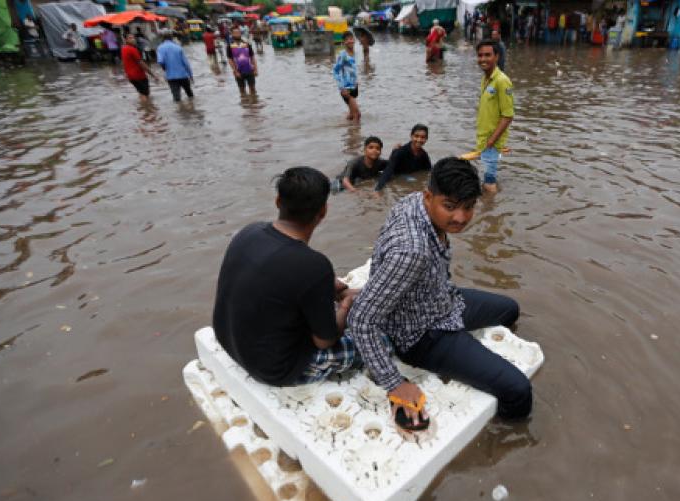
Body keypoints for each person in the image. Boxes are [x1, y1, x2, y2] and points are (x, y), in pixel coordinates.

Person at [348, 158, 532, 429]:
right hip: (421, 334)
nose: (460, 218)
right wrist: (394, 383)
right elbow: (362, 319)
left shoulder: (414, 201)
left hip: (442, 299)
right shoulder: (411, 252)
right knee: (519, 391)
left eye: (468, 207)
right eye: (450, 207)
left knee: (510, 309)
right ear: (429, 197)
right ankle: (503, 436)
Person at [213, 167, 361, 387]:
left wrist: (334, 288)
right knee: (379, 341)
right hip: (274, 369)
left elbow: (287, 274)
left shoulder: (249, 231)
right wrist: (347, 305)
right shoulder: (314, 265)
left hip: (230, 343)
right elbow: (325, 341)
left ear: (277, 201)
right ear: (323, 211)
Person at [474, 40, 513, 192]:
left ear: (496, 56)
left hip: (492, 142)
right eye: (480, 55)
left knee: (489, 184)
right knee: (487, 178)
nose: (483, 59)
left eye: (487, 55)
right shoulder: (485, 79)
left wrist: (491, 142)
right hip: (484, 139)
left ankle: (491, 213)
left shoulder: (502, 81)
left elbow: (508, 116)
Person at [374, 124, 432, 191]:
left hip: (410, 176)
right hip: (399, 177)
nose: (419, 140)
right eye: (416, 136)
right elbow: (388, 171)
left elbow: (428, 172)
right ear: (411, 136)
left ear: (426, 139)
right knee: (414, 181)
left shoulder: (424, 155)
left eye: (422, 137)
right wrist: (378, 189)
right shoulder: (400, 152)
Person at [156, 30, 194, 102]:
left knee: (176, 98)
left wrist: (165, 69)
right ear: (172, 38)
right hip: (183, 75)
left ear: (163, 38)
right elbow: (186, 63)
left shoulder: (160, 48)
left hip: (171, 77)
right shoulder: (178, 47)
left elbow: (160, 61)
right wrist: (191, 75)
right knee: (189, 94)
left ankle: (179, 110)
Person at [121, 33, 158, 102]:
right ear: (126, 40)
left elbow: (125, 63)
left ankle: (143, 108)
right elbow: (141, 63)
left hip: (131, 76)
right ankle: (147, 109)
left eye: (133, 38)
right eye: (130, 38)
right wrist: (153, 75)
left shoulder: (123, 49)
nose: (133, 39)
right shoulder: (132, 49)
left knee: (141, 92)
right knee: (145, 94)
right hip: (138, 76)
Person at [333, 31, 360, 121]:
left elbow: (352, 69)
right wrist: (342, 88)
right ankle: (356, 135)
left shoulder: (355, 53)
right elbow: (336, 71)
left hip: (354, 86)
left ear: (354, 40)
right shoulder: (343, 55)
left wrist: (356, 81)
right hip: (346, 89)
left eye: (351, 39)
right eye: (347, 40)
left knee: (352, 114)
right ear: (344, 42)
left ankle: (347, 129)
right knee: (357, 114)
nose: (350, 41)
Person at [228, 26, 258, 95]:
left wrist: (256, 69)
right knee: (242, 90)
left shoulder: (246, 44)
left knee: (253, 89)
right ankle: (245, 103)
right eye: (235, 33)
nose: (237, 34)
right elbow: (230, 60)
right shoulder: (230, 46)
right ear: (232, 34)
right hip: (238, 71)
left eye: (238, 33)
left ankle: (253, 102)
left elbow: (252, 57)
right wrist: (235, 71)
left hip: (249, 70)